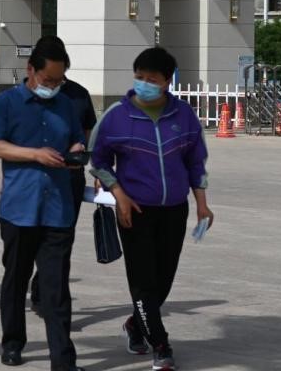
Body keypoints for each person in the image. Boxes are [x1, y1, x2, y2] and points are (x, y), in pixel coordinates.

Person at [89, 47, 213, 371]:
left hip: (174, 209)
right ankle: (161, 345)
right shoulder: (117, 115)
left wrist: (201, 203)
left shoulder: (184, 115)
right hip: (134, 209)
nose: (144, 84)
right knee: (143, 279)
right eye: (139, 77)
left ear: (168, 81)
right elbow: (98, 160)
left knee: (163, 279)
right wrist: (118, 193)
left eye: (152, 79)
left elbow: (195, 161)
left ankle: (135, 324)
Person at [0, 38, 86, 371]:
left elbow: (77, 138)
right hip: (19, 207)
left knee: (55, 288)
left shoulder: (66, 104)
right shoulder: (6, 102)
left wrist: (76, 150)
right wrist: (35, 155)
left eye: (59, 81)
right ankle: (13, 343)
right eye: (48, 79)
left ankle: (63, 361)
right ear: (31, 70)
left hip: (58, 207)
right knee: (16, 278)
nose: (53, 86)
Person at [27, 35, 97, 316]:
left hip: (68, 179)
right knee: (34, 240)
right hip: (31, 180)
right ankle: (42, 286)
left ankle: (51, 300)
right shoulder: (19, 96)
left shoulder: (78, 95)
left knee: (62, 241)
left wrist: (80, 154)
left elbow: (86, 132)